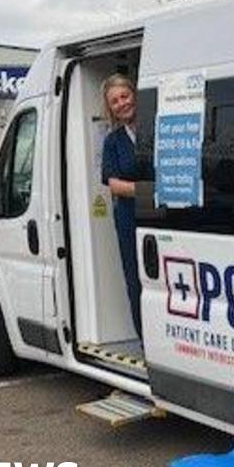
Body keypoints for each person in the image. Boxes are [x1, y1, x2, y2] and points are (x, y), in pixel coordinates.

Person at [100, 73, 142, 336]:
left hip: (163, 214)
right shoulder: (113, 141)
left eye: (124, 96)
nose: (121, 104)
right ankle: (145, 340)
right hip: (130, 217)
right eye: (114, 101)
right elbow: (114, 184)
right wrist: (153, 192)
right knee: (136, 280)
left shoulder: (157, 127)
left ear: (134, 94)